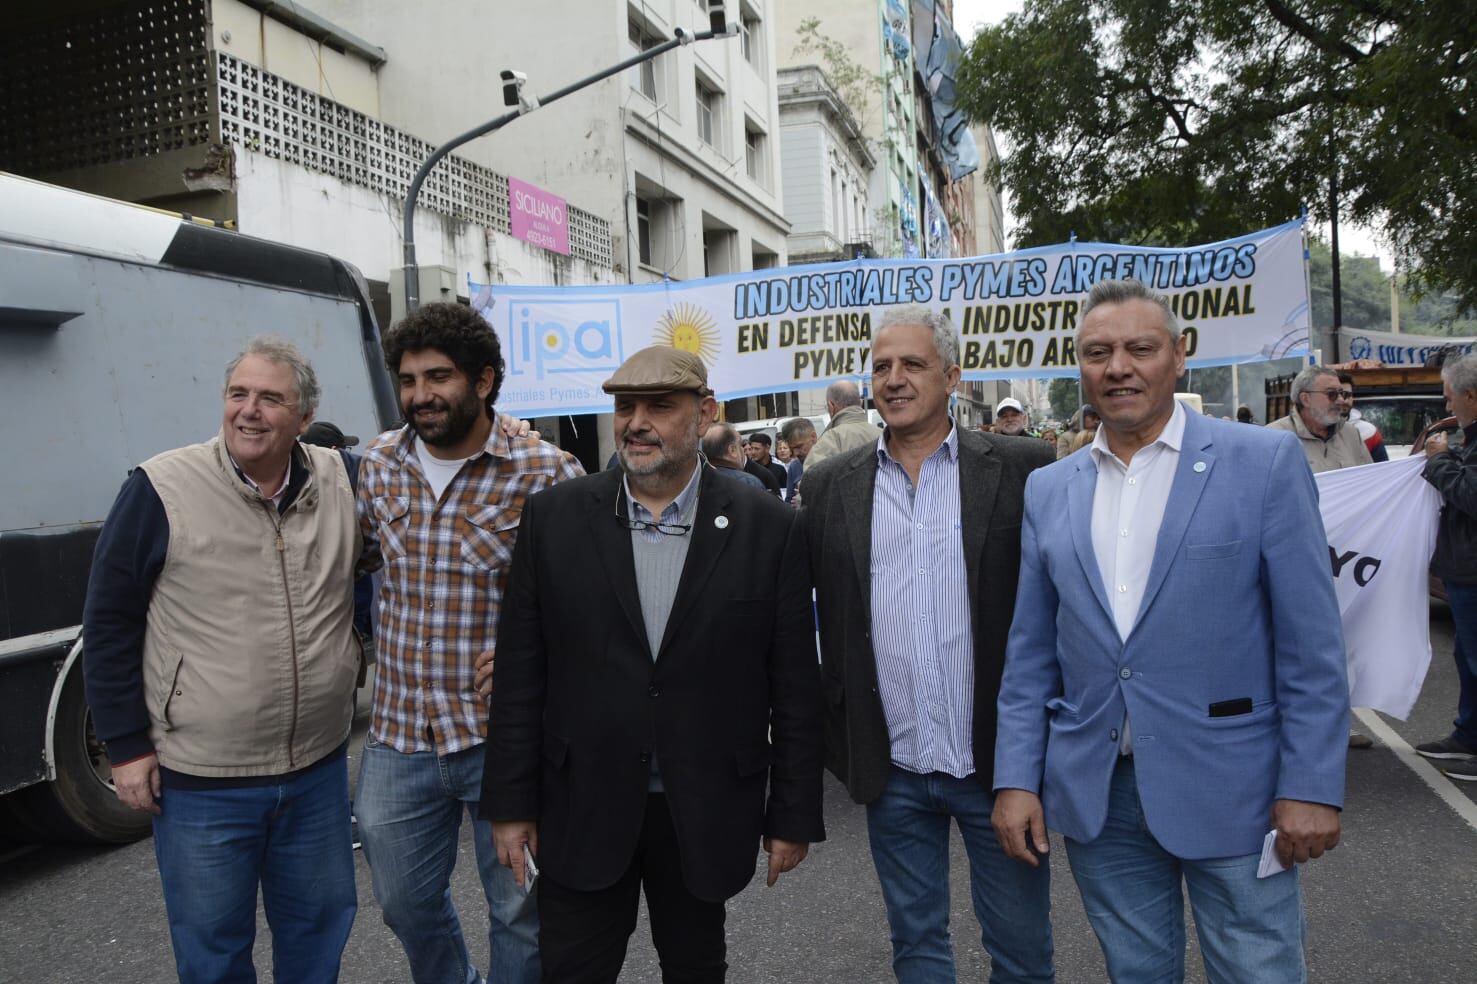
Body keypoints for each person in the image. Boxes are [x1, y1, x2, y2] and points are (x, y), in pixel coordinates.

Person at [993, 279, 1349, 983]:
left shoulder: (1261, 463)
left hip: (1236, 789)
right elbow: (1031, 651)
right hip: (1101, 795)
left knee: (1258, 971)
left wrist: (1312, 784)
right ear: (1079, 366)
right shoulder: (1050, 488)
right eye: (1097, 352)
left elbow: (1311, 645)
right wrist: (1015, 779)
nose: (1117, 367)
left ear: (1178, 357)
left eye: (1138, 348)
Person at [482, 345, 825, 983]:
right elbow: (523, 672)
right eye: (626, 406)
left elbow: (795, 685)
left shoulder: (767, 526)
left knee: (696, 968)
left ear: (704, 415)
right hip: (582, 801)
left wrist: (794, 815)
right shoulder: (555, 519)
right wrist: (510, 804)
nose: (637, 421)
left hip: (704, 804)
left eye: (659, 406)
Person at [82, 337, 360, 983]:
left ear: (304, 414)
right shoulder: (161, 487)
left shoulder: (343, 478)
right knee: (213, 951)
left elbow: (425, 461)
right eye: (239, 394)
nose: (250, 411)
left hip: (316, 771)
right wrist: (126, 747)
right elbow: (110, 621)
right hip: (203, 780)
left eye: (271, 398)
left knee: (318, 935)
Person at [801, 305, 1057, 982]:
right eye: (881, 366)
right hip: (893, 770)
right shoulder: (831, 484)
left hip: (996, 770)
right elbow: (786, 605)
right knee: (915, 947)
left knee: (1022, 954)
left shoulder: (1024, 468)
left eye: (911, 364)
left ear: (951, 376)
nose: (893, 379)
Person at [355, 302, 583, 984]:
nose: (420, 394)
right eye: (408, 378)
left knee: (519, 909)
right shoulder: (375, 465)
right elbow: (357, 564)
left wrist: (535, 653)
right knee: (401, 901)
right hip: (400, 735)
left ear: (483, 381)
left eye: (439, 376)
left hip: (504, 737)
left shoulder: (545, 471)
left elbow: (590, 605)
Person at [1414, 353, 1477, 780]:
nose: (1448, 406)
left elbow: (1471, 496)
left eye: (1450, 396)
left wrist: (1438, 461)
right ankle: (1468, 736)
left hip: (1473, 571)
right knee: (1466, 655)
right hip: (1464, 570)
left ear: (1471, 395)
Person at [1267, 366, 1372, 473]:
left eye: (1341, 393)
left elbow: (1369, 479)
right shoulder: (1273, 437)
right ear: (1306, 399)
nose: (1341, 400)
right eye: (1332, 394)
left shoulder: (1351, 434)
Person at [805, 379, 880, 470]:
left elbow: (811, 479)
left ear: (831, 406)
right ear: (861, 403)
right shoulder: (884, 435)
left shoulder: (830, 440)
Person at [702, 422, 768, 492]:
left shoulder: (697, 480)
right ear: (732, 450)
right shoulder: (749, 483)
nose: (743, 450)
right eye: (740, 445)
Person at [779, 416, 817, 502]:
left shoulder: (831, 459)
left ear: (813, 437)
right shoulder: (794, 466)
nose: (795, 453)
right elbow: (789, 501)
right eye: (792, 449)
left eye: (799, 446)